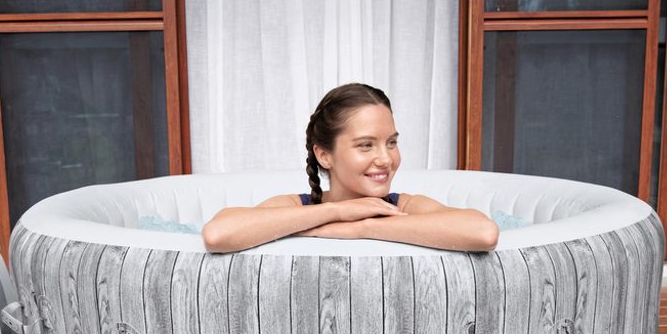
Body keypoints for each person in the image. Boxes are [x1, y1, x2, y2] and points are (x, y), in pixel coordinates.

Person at [201, 83, 499, 253]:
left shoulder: (404, 206)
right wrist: (337, 211)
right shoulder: (296, 207)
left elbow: (483, 232)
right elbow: (217, 234)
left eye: (391, 143)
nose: (386, 159)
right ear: (324, 155)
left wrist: (362, 227)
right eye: (366, 145)